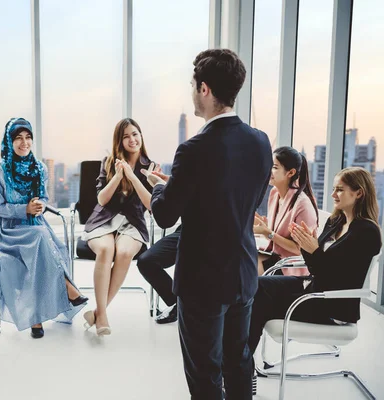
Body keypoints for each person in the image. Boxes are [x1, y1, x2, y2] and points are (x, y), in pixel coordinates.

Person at [142, 49, 272, 399]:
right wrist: (180, 186)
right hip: (244, 273)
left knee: (205, 375)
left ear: (204, 89)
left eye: (191, 85)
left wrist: (159, 187)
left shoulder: (193, 149)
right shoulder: (260, 141)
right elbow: (241, 198)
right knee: (239, 362)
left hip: (202, 282)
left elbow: (166, 215)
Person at [248, 167, 381, 391]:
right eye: (333, 189)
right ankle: (240, 364)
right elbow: (316, 267)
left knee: (260, 302)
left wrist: (313, 250)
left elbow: (333, 276)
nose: (333, 195)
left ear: (359, 193)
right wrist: (308, 249)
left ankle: (241, 369)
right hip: (314, 287)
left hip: (332, 304)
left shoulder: (366, 232)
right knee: (256, 285)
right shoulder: (335, 222)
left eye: (340, 190)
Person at [0, 118, 87, 338]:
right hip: (7, 229)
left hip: (35, 224)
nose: (24, 142)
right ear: (9, 141)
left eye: (28, 137)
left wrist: (39, 206)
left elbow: (43, 198)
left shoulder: (39, 168)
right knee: (41, 240)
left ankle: (36, 318)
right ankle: (68, 288)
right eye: (18, 138)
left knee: (44, 246)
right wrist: (25, 209)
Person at [82, 118, 159, 336]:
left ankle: (98, 311)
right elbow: (102, 200)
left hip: (133, 222)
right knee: (106, 249)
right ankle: (103, 316)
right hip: (104, 220)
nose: (132, 139)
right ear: (120, 141)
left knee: (124, 252)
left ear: (141, 136)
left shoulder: (149, 166)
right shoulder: (108, 162)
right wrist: (117, 176)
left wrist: (133, 177)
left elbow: (150, 205)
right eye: (126, 136)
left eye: (135, 134)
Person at [254, 146, 319, 275]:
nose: (269, 171)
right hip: (274, 258)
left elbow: (300, 249)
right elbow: (278, 231)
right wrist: (263, 226)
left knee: (244, 265)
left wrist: (269, 233)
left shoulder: (302, 204)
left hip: (290, 267)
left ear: (290, 173)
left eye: (275, 167)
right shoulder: (274, 194)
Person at [137, 225, 181, 324]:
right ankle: (179, 303)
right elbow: (165, 220)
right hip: (187, 231)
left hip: (218, 234)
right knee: (146, 262)